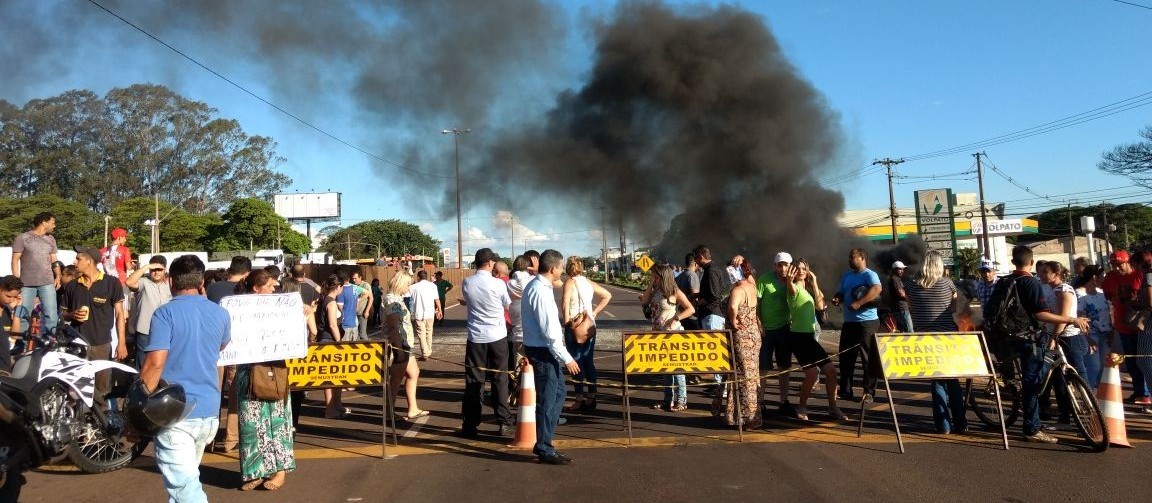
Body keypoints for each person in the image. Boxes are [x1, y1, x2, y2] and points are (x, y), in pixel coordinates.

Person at [138, 254, 231, 503]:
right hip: (208, 412)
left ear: (170, 281)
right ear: (201, 282)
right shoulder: (220, 313)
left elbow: (154, 364)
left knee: (186, 491)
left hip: (174, 412)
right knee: (185, 485)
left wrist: (136, 407)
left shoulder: (164, 314)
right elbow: (221, 346)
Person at [985, 245, 1090, 443]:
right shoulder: (1030, 282)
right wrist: (1070, 320)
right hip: (1027, 338)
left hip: (1006, 337)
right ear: (1031, 262)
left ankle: (1031, 408)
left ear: (1013, 261)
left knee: (1033, 377)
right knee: (1032, 382)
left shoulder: (1004, 281)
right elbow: (1040, 314)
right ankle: (1032, 428)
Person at [234, 270, 295, 491]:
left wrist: (304, 312)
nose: (273, 290)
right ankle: (254, 470)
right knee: (251, 421)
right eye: (269, 286)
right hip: (248, 370)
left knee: (277, 420)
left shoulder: (281, 308)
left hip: (274, 367)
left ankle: (279, 471)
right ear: (256, 288)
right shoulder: (238, 308)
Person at [521, 249, 580, 465]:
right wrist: (567, 358)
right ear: (554, 268)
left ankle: (544, 439)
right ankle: (544, 447)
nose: (562, 271)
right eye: (561, 267)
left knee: (558, 394)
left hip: (542, 349)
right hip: (544, 351)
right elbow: (550, 332)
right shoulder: (541, 291)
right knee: (548, 400)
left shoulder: (537, 285)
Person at [903, 250, 966, 434]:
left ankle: (943, 425)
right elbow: (953, 308)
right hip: (947, 337)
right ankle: (960, 423)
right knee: (952, 379)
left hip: (925, 338)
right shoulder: (947, 284)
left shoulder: (911, 286)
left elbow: (912, 308)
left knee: (937, 380)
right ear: (939, 265)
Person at [59, 246, 127, 408]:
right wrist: (72, 315)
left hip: (102, 344)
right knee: (77, 388)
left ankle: (100, 426)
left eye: (79, 259)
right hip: (77, 345)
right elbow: (61, 315)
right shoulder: (72, 286)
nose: (75, 262)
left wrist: (121, 343)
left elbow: (119, 315)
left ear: (89, 262)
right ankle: (78, 423)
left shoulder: (111, 283)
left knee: (101, 389)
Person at [457, 248, 514, 438]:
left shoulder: (467, 282)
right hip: (497, 336)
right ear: (490, 263)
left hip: (475, 337)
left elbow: (469, 301)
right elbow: (507, 304)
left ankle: (470, 424)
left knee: (474, 381)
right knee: (500, 379)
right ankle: (503, 422)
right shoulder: (498, 284)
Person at [783, 258, 843, 422]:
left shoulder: (809, 289)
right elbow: (791, 288)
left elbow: (820, 305)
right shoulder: (793, 288)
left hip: (809, 337)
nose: (801, 271)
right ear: (793, 271)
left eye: (804, 268)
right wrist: (789, 279)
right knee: (812, 374)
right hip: (797, 337)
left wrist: (815, 281)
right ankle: (802, 407)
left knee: (831, 371)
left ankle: (833, 406)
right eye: (798, 269)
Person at [639, 263, 695, 411]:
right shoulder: (656, 290)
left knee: (677, 369)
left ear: (663, 275)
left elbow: (690, 308)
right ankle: (667, 399)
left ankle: (681, 400)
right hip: (659, 334)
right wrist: (651, 282)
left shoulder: (674, 291)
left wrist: (676, 318)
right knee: (665, 369)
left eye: (655, 275)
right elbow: (644, 301)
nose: (654, 277)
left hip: (673, 334)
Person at [831, 248, 882, 401]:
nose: (849, 260)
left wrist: (859, 303)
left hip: (867, 322)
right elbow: (841, 292)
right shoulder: (847, 276)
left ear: (862, 258)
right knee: (846, 357)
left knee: (868, 358)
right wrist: (837, 298)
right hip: (850, 322)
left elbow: (877, 289)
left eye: (852, 257)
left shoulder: (869, 275)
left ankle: (868, 393)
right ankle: (846, 391)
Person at [562, 256, 612, 413]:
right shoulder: (588, 283)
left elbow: (564, 303)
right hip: (589, 326)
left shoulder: (570, 282)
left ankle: (579, 399)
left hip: (575, 326)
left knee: (576, 363)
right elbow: (607, 295)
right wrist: (595, 312)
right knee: (589, 362)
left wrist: (567, 322)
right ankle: (592, 397)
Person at [1100, 250, 1149, 403]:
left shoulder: (1140, 275)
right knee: (1132, 361)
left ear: (1128, 263)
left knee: (1145, 361)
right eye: (1113, 265)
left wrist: (1133, 301)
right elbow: (1108, 296)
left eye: (1120, 265)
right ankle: (1139, 391)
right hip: (1123, 324)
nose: (1116, 268)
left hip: (1142, 325)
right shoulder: (1110, 278)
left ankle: (1146, 393)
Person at [720, 261, 762, 428]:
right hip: (753, 335)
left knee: (743, 377)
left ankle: (747, 417)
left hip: (741, 336)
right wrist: (741, 260)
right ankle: (739, 414)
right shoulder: (752, 286)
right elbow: (749, 275)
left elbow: (732, 307)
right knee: (751, 375)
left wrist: (733, 320)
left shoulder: (738, 290)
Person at [384, 271, 428, 421]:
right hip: (399, 345)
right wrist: (399, 349)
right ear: (400, 284)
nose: (409, 288)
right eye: (408, 284)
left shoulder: (398, 299)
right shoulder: (393, 301)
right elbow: (393, 327)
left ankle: (413, 408)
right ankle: (389, 412)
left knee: (413, 373)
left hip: (405, 344)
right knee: (396, 380)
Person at [756, 252, 794, 414]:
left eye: (785, 265)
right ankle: (760, 401)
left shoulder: (793, 281)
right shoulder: (765, 279)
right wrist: (759, 324)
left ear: (790, 265)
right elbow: (755, 304)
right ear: (775, 266)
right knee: (763, 367)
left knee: (784, 366)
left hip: (785, 328)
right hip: (767, 331)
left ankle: (784, 401)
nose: (782, 268)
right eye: (780, 265)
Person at [11, 211, 58, 335]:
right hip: (26, 284)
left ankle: (49, 344)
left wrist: (58, 275)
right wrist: (16, 282)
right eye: (52, 223)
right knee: (22, 316)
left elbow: (54, 260)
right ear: (44, 222)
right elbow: (15, 260)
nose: (54, 226)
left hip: (47, 283)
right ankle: (20, 346)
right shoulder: (23, 238)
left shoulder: (51, 239)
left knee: (51, 316)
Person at [126, 255, 172, 368]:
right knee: (142, 365)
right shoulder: (143, 282)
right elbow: (129, 282)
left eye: (159, 269)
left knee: (163, 364)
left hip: (166, 331)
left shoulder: (170, 285)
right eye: (153, 270)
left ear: (165, 270)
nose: (156, 272)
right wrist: (146, 266)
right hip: (145, 332)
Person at [314, 275, 349, 419]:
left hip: (325, 340)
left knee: (336, 376)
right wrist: (339, 341)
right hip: (329, 341)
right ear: (338, 287)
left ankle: (336, 404)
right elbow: (333, 325)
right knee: (330, 377)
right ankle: (330, 408)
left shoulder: (324, 300)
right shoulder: (331, 303)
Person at [1076, 265, 1114, 389]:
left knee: (1105, 366)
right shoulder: (1080, 293)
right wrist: (1087, 338)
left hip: (1106, 334)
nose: (1104, 278)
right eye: (1102, 275)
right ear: (1094, 277)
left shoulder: (1102, 293)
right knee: (1094, 367)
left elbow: (1109, 313)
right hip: (1091, 335)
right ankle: (1090, 395)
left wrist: (1112, 332)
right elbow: (1079, 316)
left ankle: (1101, 396)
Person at [409, 270, 442, 360]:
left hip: (418, 314)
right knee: (429, 332)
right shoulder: (433, 285)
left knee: (421, 334)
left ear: (418, 277)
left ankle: (425, 353)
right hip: (430, 313)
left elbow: (405, 295)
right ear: (426, 276)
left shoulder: (413, 287)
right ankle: (429, 350)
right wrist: (440, 310)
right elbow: (437, 299)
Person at [1, 276, 27, 372]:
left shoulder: (7, 311)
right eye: (8, 296)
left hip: (4, 369)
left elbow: (13, 338)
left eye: (15, 297)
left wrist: (17, 310)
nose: (11, 300)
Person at [674, 253, 701, 330]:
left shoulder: (679, 276)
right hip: (691, 316)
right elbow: (695, 295)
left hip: (681, 314)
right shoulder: (692, 275)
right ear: (695, 263)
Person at [886, 261, 912, 333]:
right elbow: (901, 294)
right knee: (909, 331)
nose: (902, 271)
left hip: (899, 308)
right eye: (899, 269)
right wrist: (909, 302)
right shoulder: (895, 279)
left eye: (902, 269)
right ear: (894, 270)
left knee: (902, 331)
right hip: (902, 308)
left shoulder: (896, 279)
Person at [350, 271, 374, 341]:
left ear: (360, 277)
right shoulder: (353, 285)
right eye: (353, 278)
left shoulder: (366, 285)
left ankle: (367, 348)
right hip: (354, 313)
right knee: (355, 334)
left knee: (362, 334)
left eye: (355, 278)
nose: (354, 280)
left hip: (362, 312)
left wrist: (367, 311)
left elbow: (371, 298)